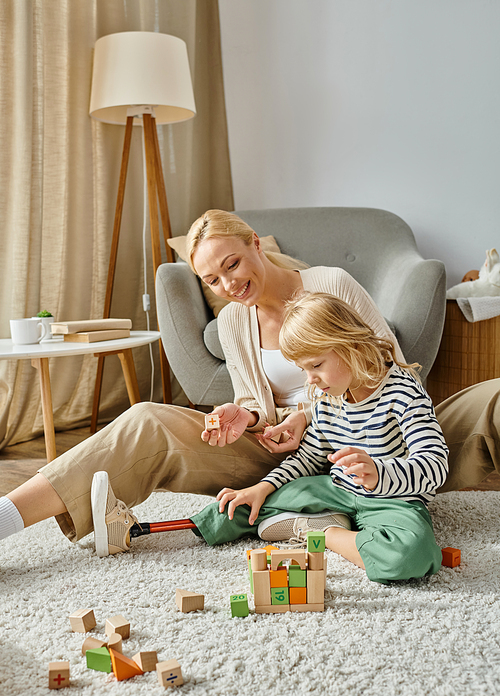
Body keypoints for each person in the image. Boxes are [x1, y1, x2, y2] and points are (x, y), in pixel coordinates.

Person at [0, 208, 497, 557]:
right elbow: (254, 400)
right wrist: (248, 415)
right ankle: (7, 518)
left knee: (493, 397)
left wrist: (314, 414)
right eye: (212, 280)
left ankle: (328, 519)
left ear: (255, 244)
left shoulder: (332, 285)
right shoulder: (236, 321)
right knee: (144, 418)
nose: (228, 286)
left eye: (232, 264)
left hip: (376, 437)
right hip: (283, 455)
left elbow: (388, 367)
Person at [195, 292, 449, 585]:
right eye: (303, 369)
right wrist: (262, 487)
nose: (310, 380)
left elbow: (435, 464)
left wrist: (380, 474)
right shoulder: (327, 395)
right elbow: (308, 458)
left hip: (393, 500)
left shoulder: (404, 393)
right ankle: (179, 527)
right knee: (238, 506)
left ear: (352, 345)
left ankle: (326, 532)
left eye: (315, 365)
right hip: (335, 489)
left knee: (411, 554)